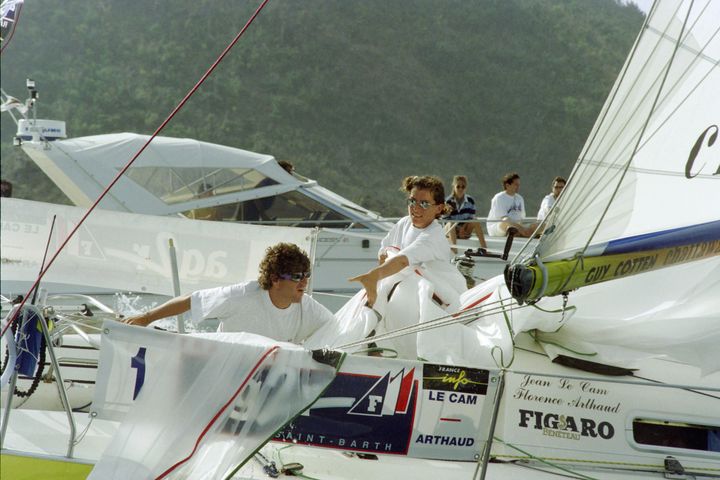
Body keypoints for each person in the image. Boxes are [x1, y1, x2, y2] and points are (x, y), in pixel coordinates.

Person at [123, 243, 335, 344]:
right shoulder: (240, 296)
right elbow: (191, 300)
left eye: (307, 274)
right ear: (275, 279)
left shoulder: (308, 308)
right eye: (297, 276)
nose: (304, 282)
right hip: (227, 370)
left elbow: (338, 330)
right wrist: (145, 318)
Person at [349, 175, 466, 307]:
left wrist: (373, 277)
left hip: (432, 305)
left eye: (424, 203)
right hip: (403, 297)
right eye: (412, 201)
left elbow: (403, 260)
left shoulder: (434, 236)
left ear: (438, 208)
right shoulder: (404, 223)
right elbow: (384, 252)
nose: (415, 208)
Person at [443, 175, 488, 252]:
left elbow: (471, 217)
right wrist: (458, 228)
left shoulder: (470, 201)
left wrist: (463, 228)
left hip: (464, 231)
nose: (460, 189)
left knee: (475, 221)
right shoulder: (448, 201)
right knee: (450, 223)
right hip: (451, 230)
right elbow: (445, 221)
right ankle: (454, 249)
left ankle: (484, 248)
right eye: (458, 186)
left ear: (465, 187)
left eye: (463, 187)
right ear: (454, 187)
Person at [486, 172, 538, 238]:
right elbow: (504, 219)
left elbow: (521, 218)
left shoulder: (520, 198)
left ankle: (522, 234)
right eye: (516, 184)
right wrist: (522, 229)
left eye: (519, 184)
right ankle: (518, 234)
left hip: (518, 226)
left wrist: (525, 228)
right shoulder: (499, 198)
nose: (518, 187)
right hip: (498, 226)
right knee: (507, 224)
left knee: (537, 225)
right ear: (507, 185)